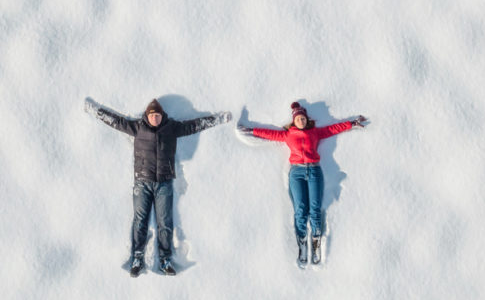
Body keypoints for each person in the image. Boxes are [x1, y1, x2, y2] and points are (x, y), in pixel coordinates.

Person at [84, 97, 232, 276]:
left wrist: (218, 119)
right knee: (140, 221)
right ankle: (137, 258)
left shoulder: (172, 128)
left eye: (158, 115)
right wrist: (94, 110)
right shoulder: (138, 127)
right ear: (147, 116)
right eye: (152, 115)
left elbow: (195, 125)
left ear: (162, 116)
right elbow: (116, 121)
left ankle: (165, 259)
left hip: (164, 183)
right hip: (142, 182)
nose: (155, 118)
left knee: (165, 222)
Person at [238, 102, 367, 268]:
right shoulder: (288, 135)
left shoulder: (315, 133)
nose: (301, 121)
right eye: (298, 119)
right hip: (297, 173)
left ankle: (315, 243)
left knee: (314, 209)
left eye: (303, 118)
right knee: (300, 210)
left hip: (314, 172)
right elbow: (270, 134)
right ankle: (302, 246)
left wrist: (351, 124)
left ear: (307, 119)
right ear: (294, 121)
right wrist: (251, 130)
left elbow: (333, 129)